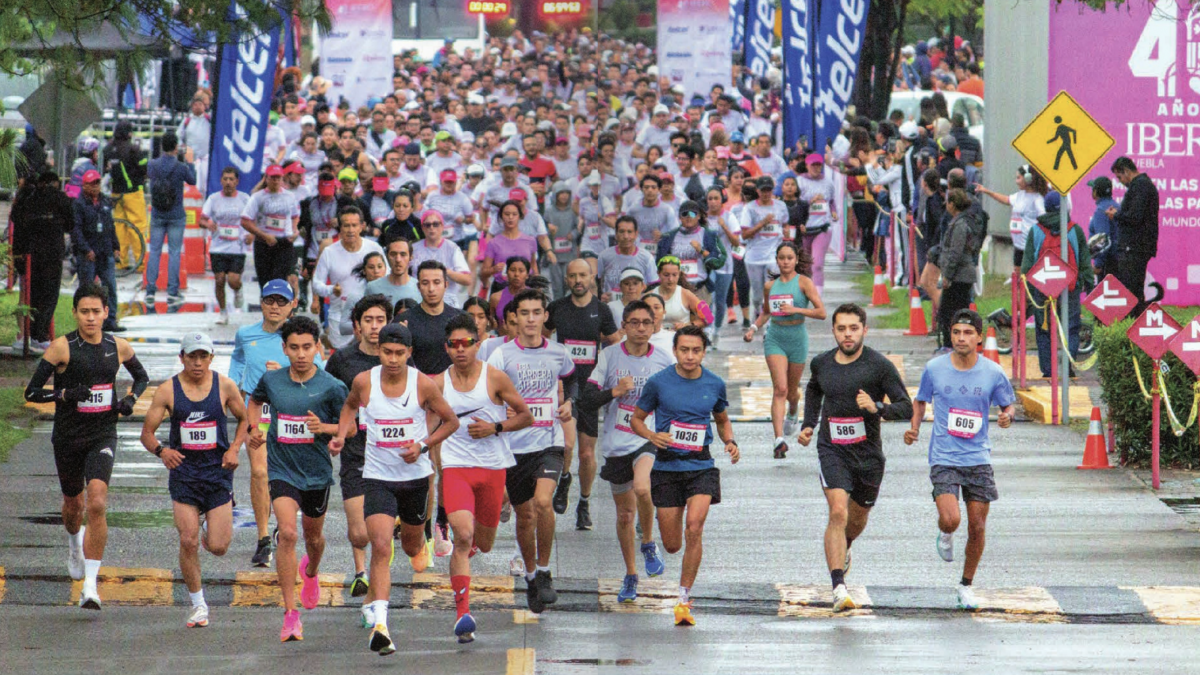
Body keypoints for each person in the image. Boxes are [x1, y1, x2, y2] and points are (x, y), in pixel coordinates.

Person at [330, 323, 459, 653]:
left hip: (415, 479)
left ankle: (418, 539)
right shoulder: (364, 381)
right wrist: (342, 435)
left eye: (400, 353)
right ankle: (381, 625)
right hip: (377, 477)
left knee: (411, 547)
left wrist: (423, 445)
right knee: (381, 546)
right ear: (379, 351)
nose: (392, 359)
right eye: (387, 352)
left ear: (409, 353)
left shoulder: (422, 385)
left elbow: (451, 421)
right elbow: (348, 407)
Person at [23, 283, 149, 610]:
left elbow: (142, 378)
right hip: (68, 436)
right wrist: (64, 395)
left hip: (103, 433)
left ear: (106, 312)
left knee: (97, 500)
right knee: (72, 505)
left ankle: (91, 586)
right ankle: (73, 544)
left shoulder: (117, 346)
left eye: (96, 312)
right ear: (76, 313)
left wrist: (130, 400)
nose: (91, 318)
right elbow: (32, 393)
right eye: (84, 312)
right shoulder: (61, 348)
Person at [797, 303, 912, 612]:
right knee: (837, 512)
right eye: (841, 329)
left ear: (864, 330)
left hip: (868, 457)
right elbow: (813, 390)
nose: (847, 335)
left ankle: (845, 546)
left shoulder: (879, 366)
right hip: (831, 449)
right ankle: (838, 588)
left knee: (856, 520)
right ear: (833, 331)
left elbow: (906, 406)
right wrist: (808, 424)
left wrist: (878, 407)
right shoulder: (821, 363)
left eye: (853, 328)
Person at [905, 309, 1015, 611]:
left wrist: (1006, 417)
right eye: (956, 333)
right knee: (952, 519)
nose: (961, 338)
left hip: (978, 457)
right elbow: (921, 400)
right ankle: (945, 530)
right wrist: (914, 427)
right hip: (944, 456)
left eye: (968, 333)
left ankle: (966, 585)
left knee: (977, 526)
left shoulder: (993, 372)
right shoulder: (934, 368)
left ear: (979, 337)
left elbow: (1008, 404)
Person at [248, 316, 349, 642]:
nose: (302, 354)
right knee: (288, 533)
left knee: (314, 538)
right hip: (282, 469)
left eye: (308, 347)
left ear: (318, 348)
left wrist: (329, 431)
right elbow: (256, 401)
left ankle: (312, 571)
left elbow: (351, 425)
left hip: (317, 473)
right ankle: (290, 614)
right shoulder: (273, 380)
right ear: (285, 348)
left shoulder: (331, 387)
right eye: (295, 347)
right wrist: (256, 428)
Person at [630, 325, 739, 626]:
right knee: (673, 544)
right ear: (675, 351)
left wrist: (729, 441)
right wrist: (652, 436)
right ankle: (664, 553)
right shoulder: (658, 383)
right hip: (666, 467)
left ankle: (683, 597)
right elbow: (636, 419)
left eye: (696, 350)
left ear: (704, 352)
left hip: (701, 465)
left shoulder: (715, 383)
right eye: (684, 350)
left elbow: (722, 419)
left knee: (695, 526)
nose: (690, 356)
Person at [433, 314, 533, 642]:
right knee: (462, 536)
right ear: (446, 347)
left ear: (479, 343)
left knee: (484, 544)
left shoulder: (495, 378)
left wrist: (495, 427)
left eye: (467, 343)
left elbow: (526, 416)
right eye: (453, 344)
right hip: (456, 467)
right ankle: (463, 614)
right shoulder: (437, 383)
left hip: (492, 468)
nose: (460, 350)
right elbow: (423, 422)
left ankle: (473, 546)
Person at [139, 332, 248, 627]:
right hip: (185, 475)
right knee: (187, 540)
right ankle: (198, 605)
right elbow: (146, 434)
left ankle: (209, 523)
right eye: (192, 357)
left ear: (211, 358)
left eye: (203, 356)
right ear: (182, 358)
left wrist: (236, 448)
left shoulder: (225, 386)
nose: (197, 363)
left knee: (218, 546)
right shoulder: (167, 390)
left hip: (217, 474)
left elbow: (246, 418)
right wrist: (163, 451)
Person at [485, 289, 576, 613]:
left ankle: (545, 569)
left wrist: (568, 402)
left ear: (545, 316)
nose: (531, 319)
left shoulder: (558, 353)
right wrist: (500, 411)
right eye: (525, 313)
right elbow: (488, 393)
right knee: (524, 517)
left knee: (542, 503)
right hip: (513, 449)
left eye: (537, 312)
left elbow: (573, 379)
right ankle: (531, 575)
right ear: (515, 319)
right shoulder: (501, 356)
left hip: (547, 442)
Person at [581, 300, 675, 602]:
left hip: (647, 439)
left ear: (654, 326)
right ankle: (631, 573)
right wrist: (615, 392)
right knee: (624, 515)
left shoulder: (663, 360)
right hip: (616, 442)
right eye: (633, 322)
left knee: (643, 487)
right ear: (624, 325)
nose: (640, 328)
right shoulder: (609, 357)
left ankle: (648, 541)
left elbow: (676, 398)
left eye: (645, 323)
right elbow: (587, 398)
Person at [229, 279, 324, 567]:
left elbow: (321, 372)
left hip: (293, 416)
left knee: (289, 477)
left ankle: (284, 526)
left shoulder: (302, 335)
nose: (274, 306)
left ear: (293, 304)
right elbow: (237, 365)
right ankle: (263, 539)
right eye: (269, 300)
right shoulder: (246, 335)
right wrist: (233, 392)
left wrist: (284, 371)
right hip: (259, 414)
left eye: (281, 301)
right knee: (259, 472)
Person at [323, 294, 392, 623]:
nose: (375, 327)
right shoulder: (342, 359)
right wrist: (332, 432)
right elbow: (327, 397)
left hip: (391, 455)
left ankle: (373, 599)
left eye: (380, 320)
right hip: (355, 451)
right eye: (369, 320)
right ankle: (362, 570)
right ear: (357, 325)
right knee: (361, 533)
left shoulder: (396, 358)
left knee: (379, 537)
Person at [545, 259, 620, 528]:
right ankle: (565, 478)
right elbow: (543, 339)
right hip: (564, 387)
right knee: (567, 445)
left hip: (590, 388)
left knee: (587, 455)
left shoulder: (601, 310)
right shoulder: (556, 309)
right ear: (566, 280)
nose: (578, 280)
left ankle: (584, 503)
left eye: (583, 275)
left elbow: (615, 343)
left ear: (591, 278)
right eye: (573, 275)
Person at [743, 242, 825, 458]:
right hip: (775, 338)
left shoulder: (804, 283)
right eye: (782, 258)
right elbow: (766, 313)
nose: (786, 262)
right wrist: (753, 328)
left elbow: (821, 312)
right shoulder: (771, 286)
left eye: (790, 258)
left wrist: (797, 309)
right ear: (777, 260)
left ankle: (793, 410)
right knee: (779, 388)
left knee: (791, 391)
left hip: (797, 338)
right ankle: (778, 439)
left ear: (796, 260)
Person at [1021, 191, 1093, 377]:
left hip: (1042, 289)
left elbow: (1028, 263)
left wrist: (1027, 289)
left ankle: (1047, 370)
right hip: (1069, 288)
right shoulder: (1074, 229)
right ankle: (1068, 366)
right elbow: (1084, 259)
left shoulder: (1036, 230)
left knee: (1044, 328)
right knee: (1071, 327)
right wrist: (1087, 282)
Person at [11, 170, 72, 347]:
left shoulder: (27, 198)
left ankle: (26, 335)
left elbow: (17, 220)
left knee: (30, 294)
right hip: (51, 253)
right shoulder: (59, 198)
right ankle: (38, 334)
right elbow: (70, 224)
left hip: (29, 253)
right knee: (48, 295)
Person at [311, 207, 385, 349]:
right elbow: (316, 284)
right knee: (342, 359)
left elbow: (387, 276)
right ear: (340, 227)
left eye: (354, 225)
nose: (350, 230)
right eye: (346, 225)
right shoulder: (329, 252)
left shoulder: (374, 248)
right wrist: (332, 289)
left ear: (362, 226)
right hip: (339, 315)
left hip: (370, 316)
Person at [145, 132, 198, 305]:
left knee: (155, 251)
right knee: (175, 252)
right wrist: (189, 161)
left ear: (161, 147)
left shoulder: (152, 165)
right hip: (176, 214)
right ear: (176, 147)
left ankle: (150, 290)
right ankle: (172, 292)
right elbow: (192, 181)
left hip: (158, 213)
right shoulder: (181, 167)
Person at [71, 170, 124, 332]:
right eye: (92, 184)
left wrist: (116, 247)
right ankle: (85, 323)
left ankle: (111, 320)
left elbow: (110, 226)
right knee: (86, 289)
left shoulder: (105, 202)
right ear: (84, 185)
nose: (95, 187)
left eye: (97, 183)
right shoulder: (79, 205)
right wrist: (86, 249)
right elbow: (76, 230)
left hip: (105, 251)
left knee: (110, 286)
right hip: (88, 254)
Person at [1107, 156, 1159, 317]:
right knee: (1132, 290)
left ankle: (1135, 323)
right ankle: (1135, 323)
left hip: (1135, 247)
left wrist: (1116, 215)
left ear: (1127, 171)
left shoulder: (1141, 187)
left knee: (1131, 292)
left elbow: (1135, 217)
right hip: (1135, 247)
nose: (1120, 181)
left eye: (1119, 177)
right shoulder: (1140, 186)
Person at [200, 167, 251, 324]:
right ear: (221, 181)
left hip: (238, 246)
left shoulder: (244, 199)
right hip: (218, 246)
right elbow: (201, 219)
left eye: (231, 179)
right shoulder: (214, 199)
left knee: (233, 280)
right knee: (220, 279)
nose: (228, 182)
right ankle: (223, 312)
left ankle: (238, 290)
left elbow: (253, 219)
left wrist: (252, 234)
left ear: (237, 181)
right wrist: (208, 223)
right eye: (225, 179)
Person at [975, 165, 1047, 275]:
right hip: (1018, 244)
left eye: (1018, 178)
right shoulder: (1019, 195)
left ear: (1028, 178)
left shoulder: (1037, 199)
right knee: (1018, 275)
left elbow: (1044, 218)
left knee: (1030, 276)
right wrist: (986, 191)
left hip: (1030, 245)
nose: (1016, 181)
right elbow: (1006, 200)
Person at [398, 261, 465, 376]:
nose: (431, 289)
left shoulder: (461, 319)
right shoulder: (404, 321)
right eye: (425, 283)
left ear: (446, 285)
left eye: (436, 282)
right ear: (418, 287)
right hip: (417, 387)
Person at [241, 164, 302, 290]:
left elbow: (295, 216)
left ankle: (282, 308)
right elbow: (245, 221)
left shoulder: (289, 196)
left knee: (278, 280)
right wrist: (263, 235)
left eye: (278, 178)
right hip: (264, 243)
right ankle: (267, 307)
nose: (275, 181)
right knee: (265, 283)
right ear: (266, 178)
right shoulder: (258, 197)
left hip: (284, 243)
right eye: (272, 178)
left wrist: (294, 230)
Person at [935, 189, 980, 350]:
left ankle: (951, 345)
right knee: (949, 311)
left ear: (953, 204)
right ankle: (951, 344)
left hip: (960, 277)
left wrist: (947, 275)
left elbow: (956, 252)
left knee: (951, 312)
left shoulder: (960, 224)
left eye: (948, 202)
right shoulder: (958, 221)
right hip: (958, 275)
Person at [655, 200, 727, 299]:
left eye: (693, 213)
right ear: (679, 217)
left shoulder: (709, 235)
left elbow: (720, 261)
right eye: (684, 214)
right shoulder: (669, 236)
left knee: (704, 315)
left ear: (699, 216)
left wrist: (701, 251)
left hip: (700, 290)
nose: (688, 217)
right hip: (675, 291)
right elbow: (659, 263)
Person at [740, 175, 791, 314]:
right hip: (754, 257)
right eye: (763, 190)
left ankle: (769, 320)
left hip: (773, 255)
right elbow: (744, 235)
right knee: (757, 294)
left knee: (771, 289)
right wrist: (762, 223)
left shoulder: (780, 206)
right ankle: (757, 308)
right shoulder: (749, 209)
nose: (766, 193)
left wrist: (786, 232)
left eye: (769, 190)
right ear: (757, 191)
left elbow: (785, 224)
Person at [104, 120, 149, 272]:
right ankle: (140, 263)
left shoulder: (108, 149)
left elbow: (104, 168)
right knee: (137, 227)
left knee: (119, 228)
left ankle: (120, 261)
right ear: (129, 133)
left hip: (116, 193)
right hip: (133, 193)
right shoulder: (133, 149)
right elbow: (144, 168)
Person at [410, 211, 474, 308]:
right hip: (420, 301)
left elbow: (467, 279)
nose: (432, 228)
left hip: (447, 302)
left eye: (435, 224)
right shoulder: (414, 249)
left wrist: (445, 271)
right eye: (427, 225)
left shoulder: (452, 248)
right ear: (423, 228)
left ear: (442, 226)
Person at [795, 157, 838, 292]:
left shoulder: (828, 182)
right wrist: (810, 202)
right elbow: (794, 205)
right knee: (805, 265)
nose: (816, 168)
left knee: (817, 265)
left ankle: (817, 298)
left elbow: (831, 200)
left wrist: (834, 211)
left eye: (818, 165)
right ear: (807, 165)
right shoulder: (799, 182)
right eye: (813, 165)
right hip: (804, 229)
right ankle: (804, 293)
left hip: (822, 228)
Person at [597, 216, 659, 298]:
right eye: (622, 231)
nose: (626, 236)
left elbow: (654, 286)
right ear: (616, 234)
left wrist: (641, 298)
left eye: (629, 232)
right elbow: (597, 281)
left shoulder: (647, 257)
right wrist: (601, 296)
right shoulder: (604, 256)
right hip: (610, 306)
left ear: (636, 234)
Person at [365, 237, 422, 308]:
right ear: (387, 257)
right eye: (393, 254)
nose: (398, 259)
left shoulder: (420, 288)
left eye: (403, 254)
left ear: (410, 257)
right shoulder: (372, 288)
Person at [1086, 177, 1118, 280]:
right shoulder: (1117, 206)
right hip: (1119, 260)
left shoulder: (1101, 211)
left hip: (1108, 263)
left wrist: (1098, 265)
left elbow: (1103, 240)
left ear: (1095, 192)